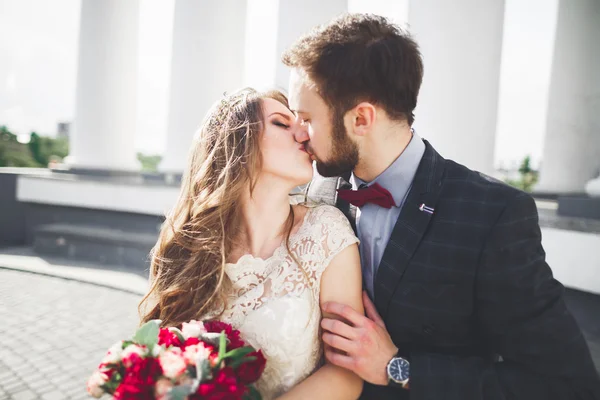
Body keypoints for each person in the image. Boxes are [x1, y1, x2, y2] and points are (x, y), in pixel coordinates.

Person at [283, 13, 600, 400]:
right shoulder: (313, 193)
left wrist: (398, 368)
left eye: (306, 118)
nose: (298, 133)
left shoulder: (493, 214)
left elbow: (565, 384)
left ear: (361, 118)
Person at [139, 88, 364, 399]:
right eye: (282, 124)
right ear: (236, 141)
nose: (303, 133)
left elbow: (348, 372)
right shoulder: (185, 246)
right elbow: (163, 362)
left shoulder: (325, 231)